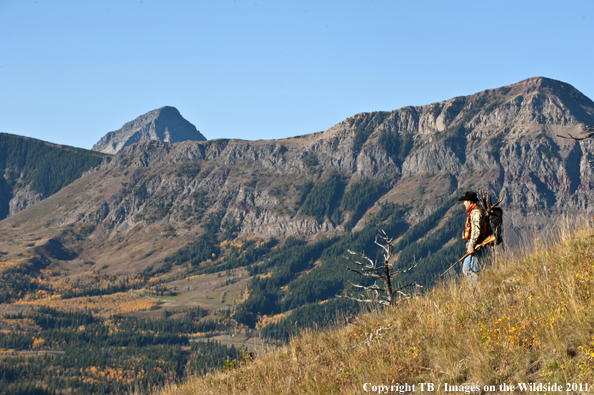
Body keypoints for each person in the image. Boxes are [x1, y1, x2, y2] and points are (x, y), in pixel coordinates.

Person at [458, 191, 487, 285]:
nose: (464, 203)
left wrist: (472, 246)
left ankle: (476, 292)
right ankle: (474, 291)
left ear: (470, 202)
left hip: (476, 244)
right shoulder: (476, 211)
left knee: (471, 270)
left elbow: (476, 231)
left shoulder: (476, 213)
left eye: (465, 201)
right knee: (468, 269)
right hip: (475, 244)